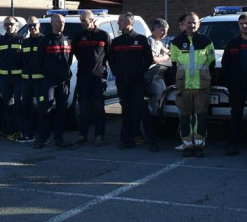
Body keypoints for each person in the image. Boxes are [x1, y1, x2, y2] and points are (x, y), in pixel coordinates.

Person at [108, 11, 158, 152]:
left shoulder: (141, 40)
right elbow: (111, 60)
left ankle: (152, 141)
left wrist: (139, 72)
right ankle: (127, 140)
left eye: (121, 21)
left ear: (129, 23)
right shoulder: (116, 42)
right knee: (126, 111)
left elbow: (148, 58)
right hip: (122, 83)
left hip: (137, 83)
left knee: (142, 111)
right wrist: (117, 72)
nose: (119, 23)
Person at [170, 12, 215, 157]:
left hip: (201, 86)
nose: (192, 25)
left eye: (194, 22)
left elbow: (211, 63)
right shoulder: (176, 42)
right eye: (189, 22)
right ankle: (188, 145)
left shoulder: (206, 41)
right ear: (184, 23)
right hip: (184, 87)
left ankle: (199, 145)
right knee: (185, 118)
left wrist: (205, 79)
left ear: (199, 24)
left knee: (200, 118)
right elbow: (174, 64)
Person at [220, 13, 247, 156]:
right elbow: (226, 65)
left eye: (246, 23)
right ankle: (233, 145)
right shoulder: (233, 44)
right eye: (241, 24)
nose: (244, 26)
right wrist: (230, 83)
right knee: (236, 117)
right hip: (237, 87)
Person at [72, 10, 111, 146]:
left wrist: (101, 69)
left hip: (98, 78)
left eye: (85, 21)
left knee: (99, 107)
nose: (82, 23)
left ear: (92, 20)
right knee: (83, 108)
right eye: (81, 21)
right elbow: (76, 54)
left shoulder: (103, 35)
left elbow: (108, 55)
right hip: (83, 77)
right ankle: (82, 135)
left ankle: (99, 135)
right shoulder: (78, 36)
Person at [35, 13, 73, 148]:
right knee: (45, 109)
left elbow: (69, 59)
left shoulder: (68, 39)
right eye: (58, 22)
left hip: (63, 82)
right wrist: (47, 73)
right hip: (49, 81)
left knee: (61, 111)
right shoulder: (46, 40)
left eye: (63, 22)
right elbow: (39, 60)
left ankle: (59, 138)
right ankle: (41, 138)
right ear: (52, 24)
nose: (61, 24)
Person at [0, 16, 24, 139]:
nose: (9, 26)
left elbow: (26, 61)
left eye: (11, 24)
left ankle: (21, 130)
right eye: (6, 24)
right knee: (7, 105)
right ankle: (10, 131)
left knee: (19, 105)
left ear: (16, 26)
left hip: (18, 78)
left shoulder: (22, 40)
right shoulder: (0, 40)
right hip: (4, 79)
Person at [18, 16, 42, 143]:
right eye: (29, 26)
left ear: (39, 25)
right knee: (26, 108)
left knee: (43, 110)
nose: (32, 28)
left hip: (40, 81)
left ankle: (43, 136)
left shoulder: (44, 41)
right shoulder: (25, 42)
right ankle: (28, 134)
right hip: (26, 81)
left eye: (34, 25)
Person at [145, 18, 172, 118]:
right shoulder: (150, 41)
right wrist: (165, 57)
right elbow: (153, 59)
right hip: (149, 75)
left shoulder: (159, 43)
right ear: (155, 29)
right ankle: (153, 114)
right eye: (162, 31)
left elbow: (168, 52)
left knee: (164, 92)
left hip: (157, 74)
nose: (164, 34)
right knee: (158, 92)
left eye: (166, 32)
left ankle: (159, 114)